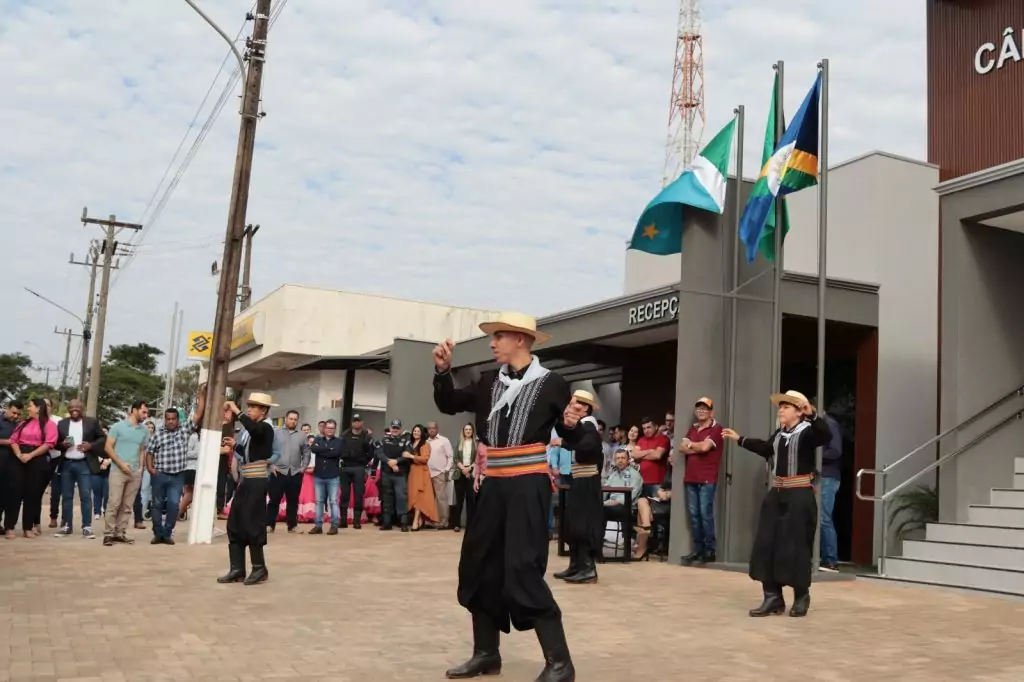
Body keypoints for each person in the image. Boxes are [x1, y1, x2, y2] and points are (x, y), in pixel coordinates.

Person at [433, 311, 583, 682]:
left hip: (528, 484)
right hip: (492, 485)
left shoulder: (552, 383)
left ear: (519, 339)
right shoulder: (488, 381)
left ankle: (560, 663)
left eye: (498, 336)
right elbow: (449, 402)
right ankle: (486, 653)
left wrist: (572, 425)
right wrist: (442, 371)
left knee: (522, 566)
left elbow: (573, 434)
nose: (492, 343)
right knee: (478, 564)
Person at [721, 390, 832, 618]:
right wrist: (740, 439)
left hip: (799, 494)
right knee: (766, 543)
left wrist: (812, 414)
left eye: (786, 407)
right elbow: (765, 448)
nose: (781, 410)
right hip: (777, 494)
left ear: (798, 412)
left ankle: (801, 596)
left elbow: (824, 435)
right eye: (780, 407)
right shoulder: (780, 434)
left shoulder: (808, 431)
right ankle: (772, 597)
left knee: (797, 546)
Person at [217, 393, 277, 586]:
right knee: (235, 523)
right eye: (248, 406)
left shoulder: (265, 428)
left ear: (264, 410)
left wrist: (236, 410)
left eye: (253, 407)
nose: (249, 409)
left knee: (253, 523)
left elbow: (256, 431)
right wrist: (235, 446)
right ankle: (237, 569)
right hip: (246, 480)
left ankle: (259, 568)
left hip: (257, 480)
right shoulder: (252, 431)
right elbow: (250, 454)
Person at [552, 390, 605, 585]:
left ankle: (587, 568)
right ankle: (576, 565)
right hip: (580, 479)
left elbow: (588, 445)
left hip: (587, 480)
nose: (570, 407)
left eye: (575, 404)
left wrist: (565, 442)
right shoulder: (583, 425)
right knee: (574, 523)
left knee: (583, 524)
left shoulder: (588, 424)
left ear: (584, 407)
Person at [55, 399, 106, 539]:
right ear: (68, 409)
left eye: (77, 407)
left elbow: (102, 438)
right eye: (71, 407)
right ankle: (67, 526)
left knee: (85, 496)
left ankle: (87, 527)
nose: (74, 409)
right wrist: (62, 444)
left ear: (82, 408)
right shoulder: (62, 423)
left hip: (84, 463)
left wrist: (90, 445)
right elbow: (54, 442)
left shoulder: (91, 422)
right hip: (67, 463)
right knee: (66, 496)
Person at [7, 399, 58, 539]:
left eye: (30, 406)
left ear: (38, 408)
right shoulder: (23, 423)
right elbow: (13, 440)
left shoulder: (49, 424)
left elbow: (49, 443)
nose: (28, 408)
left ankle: (28, 527)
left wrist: (31, 455)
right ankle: (9, 526)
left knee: (33, 494)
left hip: (37, 457)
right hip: (19, 457)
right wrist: (19, 454)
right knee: (15, 492)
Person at [103, 401, 150, 546]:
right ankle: (108, 534)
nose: (145, 415)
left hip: (135, 473)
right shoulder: (118, 427)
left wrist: (141, 468)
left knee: (127, 505)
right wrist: (121, 464)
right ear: (134, 410)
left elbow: (142, 449)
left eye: (147, 413)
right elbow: (108, 447)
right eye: (143, 412)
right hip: (118, 470)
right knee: (114, 503)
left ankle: (120, 532)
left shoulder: (144, 430)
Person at [376, 419, 411, 531]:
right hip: (387, 473)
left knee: (401, 498)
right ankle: (387, 523)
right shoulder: (384, 440)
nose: (395, 430)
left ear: (400, 429)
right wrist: (389, 462)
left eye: (397, 428)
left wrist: (396, 461)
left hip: (400, 474)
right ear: (390, 428)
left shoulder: (405, 441)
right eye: (393, 428)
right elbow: (380, 453)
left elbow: (407, 455)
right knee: (387, 498)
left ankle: (403, 523)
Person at [406, 424, 438, 531]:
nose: (416, 433)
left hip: (421, 473)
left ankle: (416, 521)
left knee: (419, 497)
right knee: (413, 496)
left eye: (418, 431)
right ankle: (419, 519)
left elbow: (424, 459)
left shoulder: (425, 444)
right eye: (414, 431)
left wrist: (411, 456)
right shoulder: (410, 443)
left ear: (422, 433)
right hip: (412, 472)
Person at [449, 423, 479, 532]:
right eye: (466, 429)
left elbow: (477, 459)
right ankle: (456, 524)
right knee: (459, 500)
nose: (468, 431)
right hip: (460, 473)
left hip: (471, 473)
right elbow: (456, 458)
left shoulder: (476, 444)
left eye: (470, 429)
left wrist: (469, 469)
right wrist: (463, 469)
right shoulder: (459, 442)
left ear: (472, 431)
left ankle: (470, 525)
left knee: (471, 500)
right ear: (463, 431)